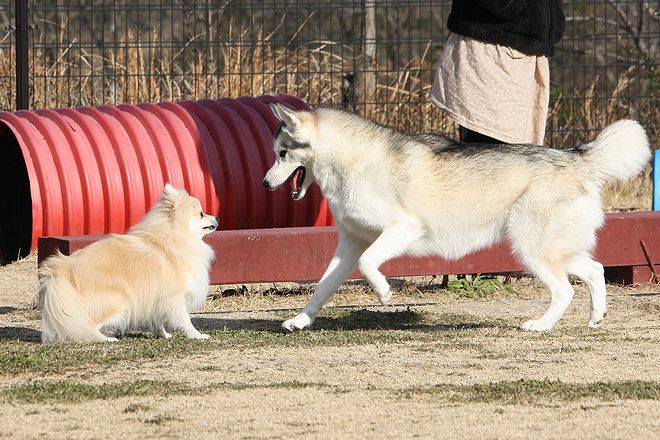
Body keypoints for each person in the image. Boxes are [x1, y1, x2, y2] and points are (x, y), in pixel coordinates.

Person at [430, 0, 565, 145]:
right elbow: (502, 7)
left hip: (520, 57)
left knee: (512, 152)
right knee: (490, 149)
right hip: (489, 55)